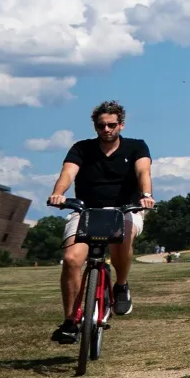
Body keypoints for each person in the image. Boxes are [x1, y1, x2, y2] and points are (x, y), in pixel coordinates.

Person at [46, 100, 155, 342]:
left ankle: (121, 285)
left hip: (126, 210)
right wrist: (59, 193)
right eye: (101, 126)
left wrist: (146, 196)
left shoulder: (136, 147)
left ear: (121, 125)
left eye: (111, 125)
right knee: (71, 259)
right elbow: (68, 172)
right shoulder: (81, 148)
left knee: (123, 237)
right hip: (87, 211)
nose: (106, 130)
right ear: (95, 127)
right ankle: (70, 321)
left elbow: (143, 172)